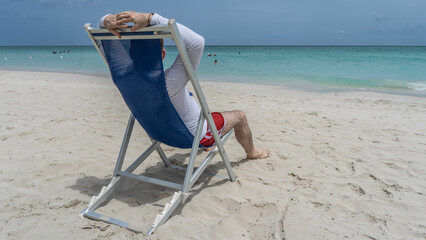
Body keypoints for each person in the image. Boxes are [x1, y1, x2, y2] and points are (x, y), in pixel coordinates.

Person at [100, 12, 269, 159]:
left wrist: (106, 20)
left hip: (159, 133)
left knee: (192, 103)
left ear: (131, 54)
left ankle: (209, 140)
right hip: (193, 137)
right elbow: (197, 43)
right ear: (163, 54)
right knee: (240, 116)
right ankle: (252, 152)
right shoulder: (168, 83)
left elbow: (101, 39)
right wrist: (151, 18)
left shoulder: (122, 76)